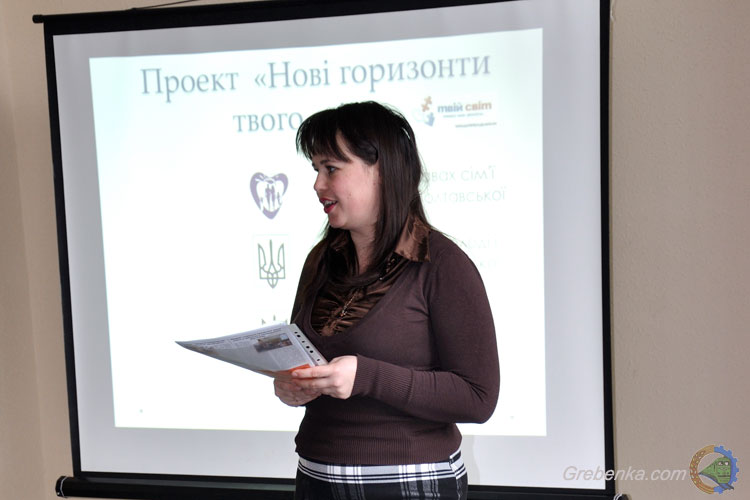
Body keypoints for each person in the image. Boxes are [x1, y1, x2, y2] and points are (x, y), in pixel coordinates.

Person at [274, 101, 500, 500]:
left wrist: (366, 376)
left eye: (331, 169)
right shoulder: (320, 260)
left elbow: (478, 398)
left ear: (382, 171)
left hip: (407, 483)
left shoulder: (442, 263)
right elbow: (304, 358)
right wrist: (292, 386)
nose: (317, 185)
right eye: (315, 169)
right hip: (315, 476)